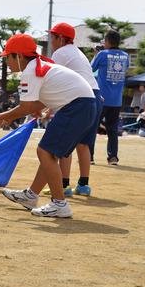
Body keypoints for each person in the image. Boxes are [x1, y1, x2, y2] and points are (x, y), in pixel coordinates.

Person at [0, 34, 96, 218]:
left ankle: (59, 204)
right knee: (49, 152)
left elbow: (26, 107)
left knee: (44, 152)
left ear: (19, 56)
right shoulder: (37, 66)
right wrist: (14, 114)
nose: (6, 62)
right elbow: (36, 103)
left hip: (76, 107)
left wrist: (2, 116)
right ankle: (31, 196)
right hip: (83, 105)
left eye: (8, 57)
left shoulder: (30, 71)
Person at [47, 23, 104, 197]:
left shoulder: (60, 53)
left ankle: (64, 185)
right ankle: (84, 185)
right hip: (95, 96)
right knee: (84, 144)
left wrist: (48, 106)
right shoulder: (78, 53)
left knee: (66, 143)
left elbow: (50, 78)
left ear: (61, 38)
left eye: (53, 37)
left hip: (78, 98)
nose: (51, 42)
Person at [91, 29, 129, 165]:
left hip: (101, 98)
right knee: (112, 130)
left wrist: (96, 54)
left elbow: (91, 69)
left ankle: (89, 157)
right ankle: (113, 157)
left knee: (92, 127)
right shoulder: (126, 56)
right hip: (117, 100)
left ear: (107, 41)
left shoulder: (102, 54)